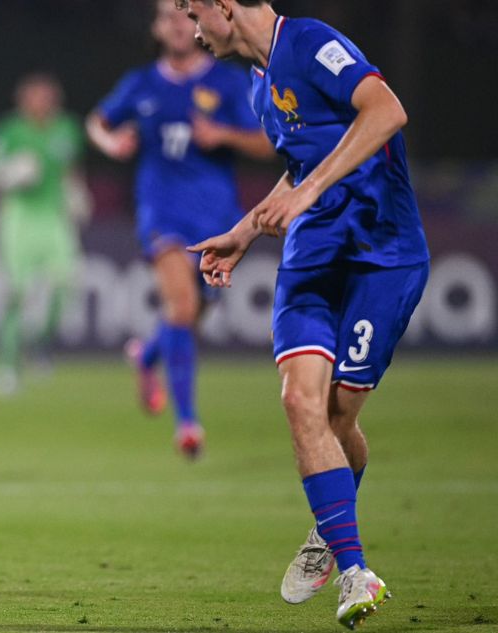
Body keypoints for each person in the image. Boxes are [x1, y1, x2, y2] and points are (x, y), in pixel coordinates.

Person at [180, 0, 428, 628]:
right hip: (313, 256)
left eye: (193, 13)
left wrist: (313, 188)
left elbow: (386, 111)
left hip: (383, 256)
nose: (193, 30)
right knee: (299, 401)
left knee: (340, 414)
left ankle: (329, 521)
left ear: (224, 7)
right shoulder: (259, 85)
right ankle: (355, 571)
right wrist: (243, 232)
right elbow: (300, 169)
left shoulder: (312, 43)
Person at [87, 0, 273, 458]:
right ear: (155, 28)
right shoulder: (141, 83)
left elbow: (269, 143)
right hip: (161, 212)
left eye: (182, 16)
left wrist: (223, 135)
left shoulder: (227, 81)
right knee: (183, 304)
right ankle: (188, 423)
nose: (174, 24)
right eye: (165, 17)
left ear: (197, 24)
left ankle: (148, 354)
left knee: (192, 314)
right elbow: (97, 122)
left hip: (216, 215)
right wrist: (111, 141)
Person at [0, 73, 90, 397]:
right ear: (22, 100)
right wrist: (9, 173)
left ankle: (40, 344)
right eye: (35, 97)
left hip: (54, 216)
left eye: (47, 98)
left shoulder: (67, 128)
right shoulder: (7, 130)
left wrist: (77, 192)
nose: (41, 104)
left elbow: (70, 169)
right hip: (18, 216)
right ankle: (7, 364)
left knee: (66, 284)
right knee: (15, 292)